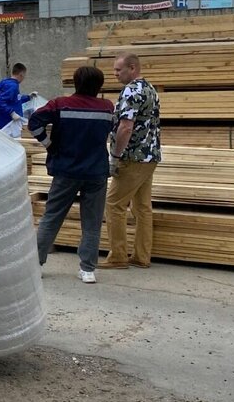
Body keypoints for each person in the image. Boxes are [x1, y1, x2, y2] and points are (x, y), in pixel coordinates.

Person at [28, 66, 115, 284]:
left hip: (66, 170)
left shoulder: (60, 104)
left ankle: (36, 264)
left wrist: (49, 145)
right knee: (92, 222)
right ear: (99, 86)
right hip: (96, 172)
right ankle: (87, 270)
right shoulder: (106, 108)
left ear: (75, 83)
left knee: (52, 217)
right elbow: (111, 132)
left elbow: (33, 122)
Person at [101, 53, 162, 270]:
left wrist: (115, 156)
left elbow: (126, 127)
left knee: (114, 204)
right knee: (142, 207)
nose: (115, 74)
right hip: (150, 155)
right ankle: (141, 256)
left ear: (132, 68)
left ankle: (118, 256)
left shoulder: (131, 91)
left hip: (133, 156)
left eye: (119, 70)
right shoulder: (150, 89)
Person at [0, 62, 36, 129]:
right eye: (24, 76)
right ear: (21, 74)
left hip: (11, 123)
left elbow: (16, 99)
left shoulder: (11, 84)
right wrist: (12, 113)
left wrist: (28, 97)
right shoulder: (12, 86)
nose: (23, 78)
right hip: (8, 123)